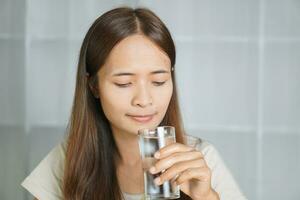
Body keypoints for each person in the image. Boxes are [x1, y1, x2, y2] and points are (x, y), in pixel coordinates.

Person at [21, 7, 247, 200]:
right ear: (94, 86)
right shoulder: (68, 161)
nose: (144, 100)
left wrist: (206, 197)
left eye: (159, 81)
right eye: (124, 83)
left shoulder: (201, 159)